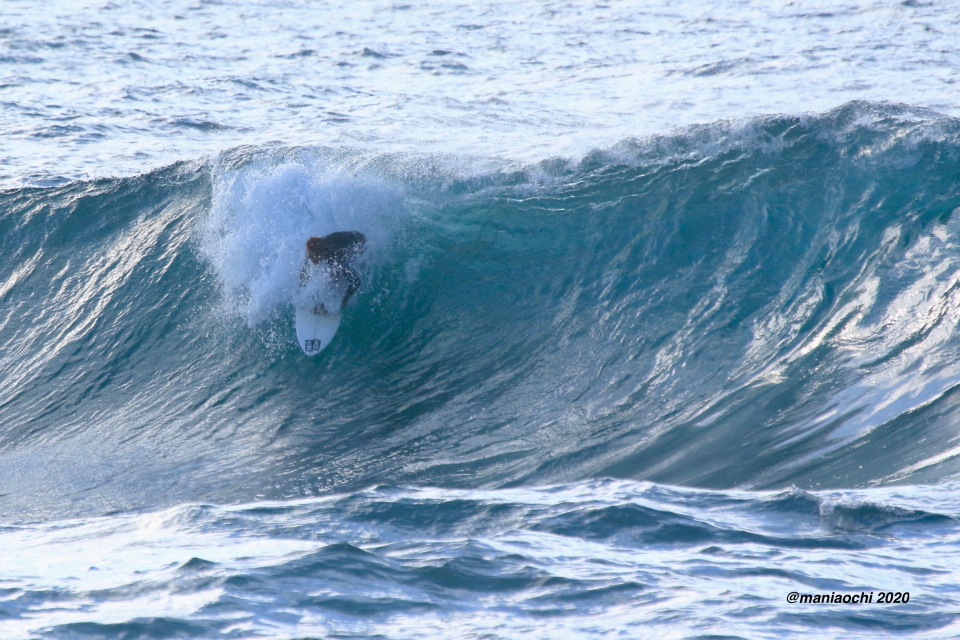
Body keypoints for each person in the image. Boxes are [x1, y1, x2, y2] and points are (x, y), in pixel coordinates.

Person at [302, 231, 366, 310]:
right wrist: (301, 287)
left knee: (335, 276)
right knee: (333, 273)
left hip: (359, 241)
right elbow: (304, 271)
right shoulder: (310, 249)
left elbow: (356, 281)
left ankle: (328, 304)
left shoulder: (333, 256)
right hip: (341, 239)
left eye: (316, 256)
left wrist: (344, 301)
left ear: (322, 252)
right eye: (311, 256)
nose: (313, 259)